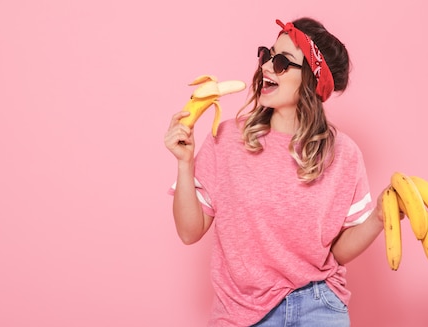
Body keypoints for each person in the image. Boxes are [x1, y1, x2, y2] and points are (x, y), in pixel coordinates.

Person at [164, 17, 386, 327]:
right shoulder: (227, 138)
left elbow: (337, 251)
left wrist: (378, 217)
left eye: (282, 62)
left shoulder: (343, 154)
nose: (267, 66)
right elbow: (189, 231)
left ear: (311, 80)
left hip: (318, 305)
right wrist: (184, 163)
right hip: (240, 312)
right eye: (267, 55)